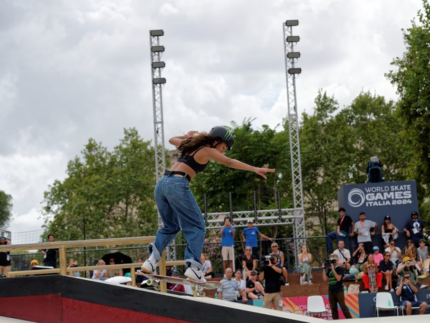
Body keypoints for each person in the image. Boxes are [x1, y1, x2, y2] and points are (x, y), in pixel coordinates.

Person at [142, 127, 275, 282]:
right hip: (177, 184)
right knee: (198, 226)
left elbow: (172, 140)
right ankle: (194, 268)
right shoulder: (207, 149)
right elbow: (229, 162)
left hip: (161, 185)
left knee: (170, 227)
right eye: (223, 148)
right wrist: (254, 169)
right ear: (216, 141)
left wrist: (188, 136)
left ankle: (151, 261)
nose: (223, 152)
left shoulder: (191, 145)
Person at [321, 254, 352, 320]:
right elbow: (324, 279)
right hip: (331, 290)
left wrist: (333, 270)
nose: (333, 262)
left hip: (339, 290)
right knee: (333, 308)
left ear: (337, 260)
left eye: (334, 260)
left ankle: (350, 320)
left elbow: (338, 278)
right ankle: (335, 321)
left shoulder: (340, 268)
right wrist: (323, 268)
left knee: (343, 307)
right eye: (332, 260)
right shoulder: (329, 269)